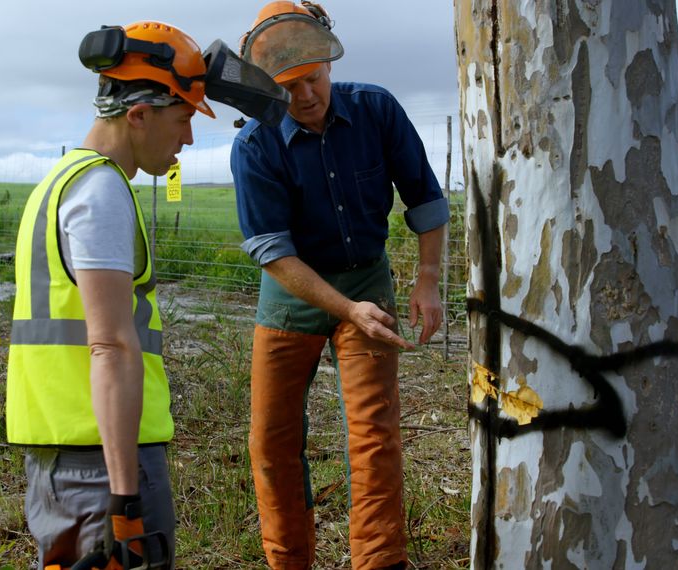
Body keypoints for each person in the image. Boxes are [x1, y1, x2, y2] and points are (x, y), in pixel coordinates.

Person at [6, 21, 287, 570]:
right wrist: (124, 498)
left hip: (55, 462)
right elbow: (110, 346)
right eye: (182, 120)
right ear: (138, 116)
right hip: (104, 466)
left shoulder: (58, 181)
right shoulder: (103, 191)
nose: (186, 138)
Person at [230, 2, 450, 569]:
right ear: (267, 86)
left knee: (374, 434)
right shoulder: (254, 144)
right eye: (289, 86)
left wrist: (428, 280)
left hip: (368, 283)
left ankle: (380, 562)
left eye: (314, 78)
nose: (305, 95)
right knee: (272, 442)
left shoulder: (376, 109)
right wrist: (345, 309)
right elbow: (273, 252)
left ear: (329, 61)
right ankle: (288, 561)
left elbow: (425, 198)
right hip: (291, 293)